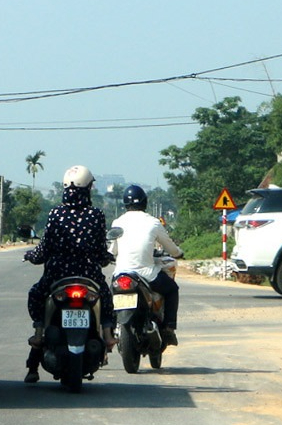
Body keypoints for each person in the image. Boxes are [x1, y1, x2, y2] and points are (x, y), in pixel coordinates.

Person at [22, 164, 115, 383]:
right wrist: (104, 259)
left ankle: (38, 334)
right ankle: (109, 336)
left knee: (36, 295)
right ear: (88, 189)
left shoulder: (56, 213)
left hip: (57, 275)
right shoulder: (97, 215)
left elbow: (44, 249)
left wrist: (31, 256)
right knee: (107, 298)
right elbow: (101, 252)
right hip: (89, 276)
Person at [109, 183, 183, 344]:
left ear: (125, 203)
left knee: (108, 298)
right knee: (172, 289)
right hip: (146, 274)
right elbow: (169, 246)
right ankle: (169, 328)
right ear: (144, 202)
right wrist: (178, 253)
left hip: (121, 274)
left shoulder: (118, 222)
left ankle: (107, 331)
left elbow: (113, 249)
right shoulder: (153, 222)